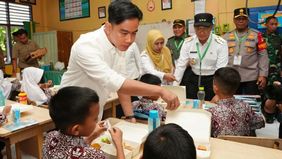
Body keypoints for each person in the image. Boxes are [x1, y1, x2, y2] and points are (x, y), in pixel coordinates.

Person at [60, 1, 179, 121]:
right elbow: (115, 81)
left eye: (134, 33)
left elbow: (122, 84)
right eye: (124, 33)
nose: (129, 40)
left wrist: (130, 116)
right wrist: (161, 91)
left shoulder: (119, 45)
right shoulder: (86, 45)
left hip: (93, 110)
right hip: (71, 111)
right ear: (108, 27)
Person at [43, 86, 125, 159]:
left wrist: (93, 135)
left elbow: (75, 150)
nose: (97, 121)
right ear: (76, 129)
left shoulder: (50, 137)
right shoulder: (94, 155)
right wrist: (118, 144)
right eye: (95, 119)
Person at [174, 13, 228, 100]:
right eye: (198, 28)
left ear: (211, 27)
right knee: (191, 107)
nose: (201, 32)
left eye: (205, 28)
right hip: (193, 79)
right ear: (194, 28)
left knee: (211, 108)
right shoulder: (188, 42)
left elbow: (220, 71)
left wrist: (219, 93)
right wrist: (174, 89)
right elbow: (180, 66)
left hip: (212, 81)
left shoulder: (220, 43)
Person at [223, 8, 269, 95]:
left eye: (243, 19)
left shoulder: (257, 35)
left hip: (251, 77)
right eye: (238, 19)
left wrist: (263, 75)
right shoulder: (225, 37)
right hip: (232, 77)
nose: (241, 21)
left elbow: (263, 55)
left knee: (252, 104)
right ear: (234, 20)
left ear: (248, 20)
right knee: (233, 103)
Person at [208, 67, 265, 137]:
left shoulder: (211, 112)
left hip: (220, 146)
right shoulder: (245, 106)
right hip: (243, 145)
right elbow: (261, 122)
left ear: (215, 87)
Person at [261, 16, 282, 124]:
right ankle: (265, 113)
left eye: (275, 24)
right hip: (263, 69)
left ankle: (273, 114)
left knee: (275, 91)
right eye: (271, 24)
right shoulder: (261, 38)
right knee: (263, 91)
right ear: (266, 25)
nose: (274, 26)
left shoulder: (279, 38)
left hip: (276, 70)